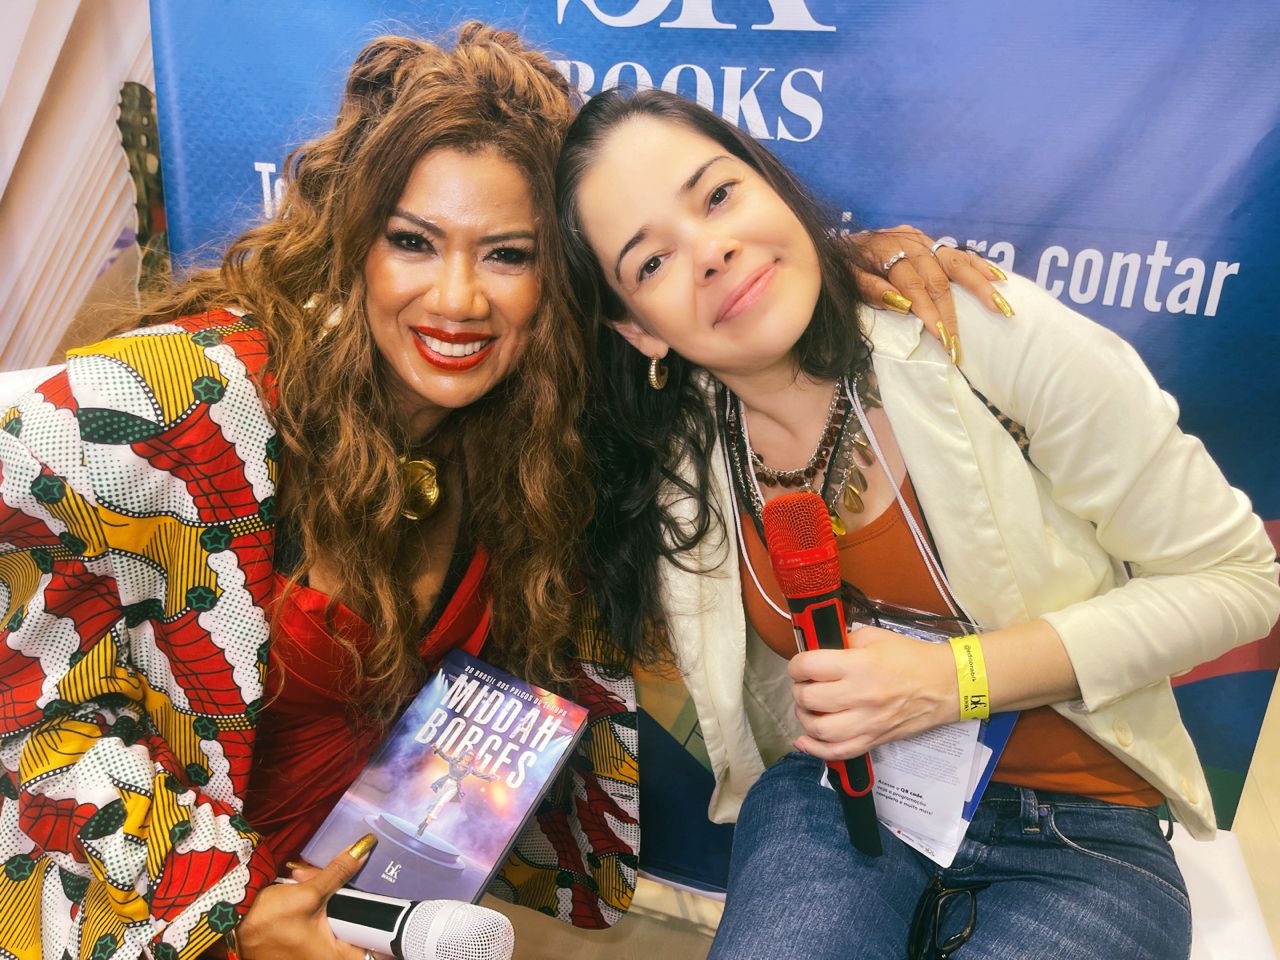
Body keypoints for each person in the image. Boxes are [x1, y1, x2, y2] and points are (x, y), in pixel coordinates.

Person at [0, 24, 991, 960]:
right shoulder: (190, 399)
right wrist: (220, 905)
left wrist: (828, 272)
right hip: (144, 917)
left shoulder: (541, 429)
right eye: (414, 242)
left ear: (558, 280)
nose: (458, 299)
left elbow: (720, 334)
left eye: (507, 254)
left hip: (357, 919)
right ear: (351, 240)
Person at [556, 87, 1280, 960]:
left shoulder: (972, 329)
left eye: (718, 195)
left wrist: (952, 680)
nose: (711, 251)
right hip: (834, 799)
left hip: (1085, 831)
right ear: (637, 330)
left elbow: (1239, 583)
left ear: (774, 185)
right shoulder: (672, 454)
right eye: (650, 263)